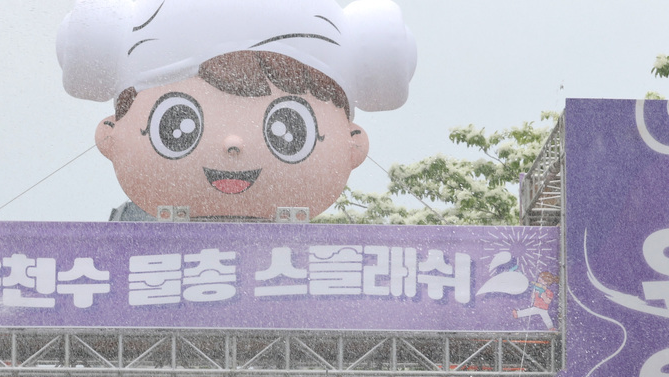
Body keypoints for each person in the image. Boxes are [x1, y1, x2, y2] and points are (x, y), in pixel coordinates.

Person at [59, 0, 416, 221]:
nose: (233, 142)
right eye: (177, 125)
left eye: (289, 130)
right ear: (110, 135)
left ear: (353, 144)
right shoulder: (122, 253)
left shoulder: (334, 268)